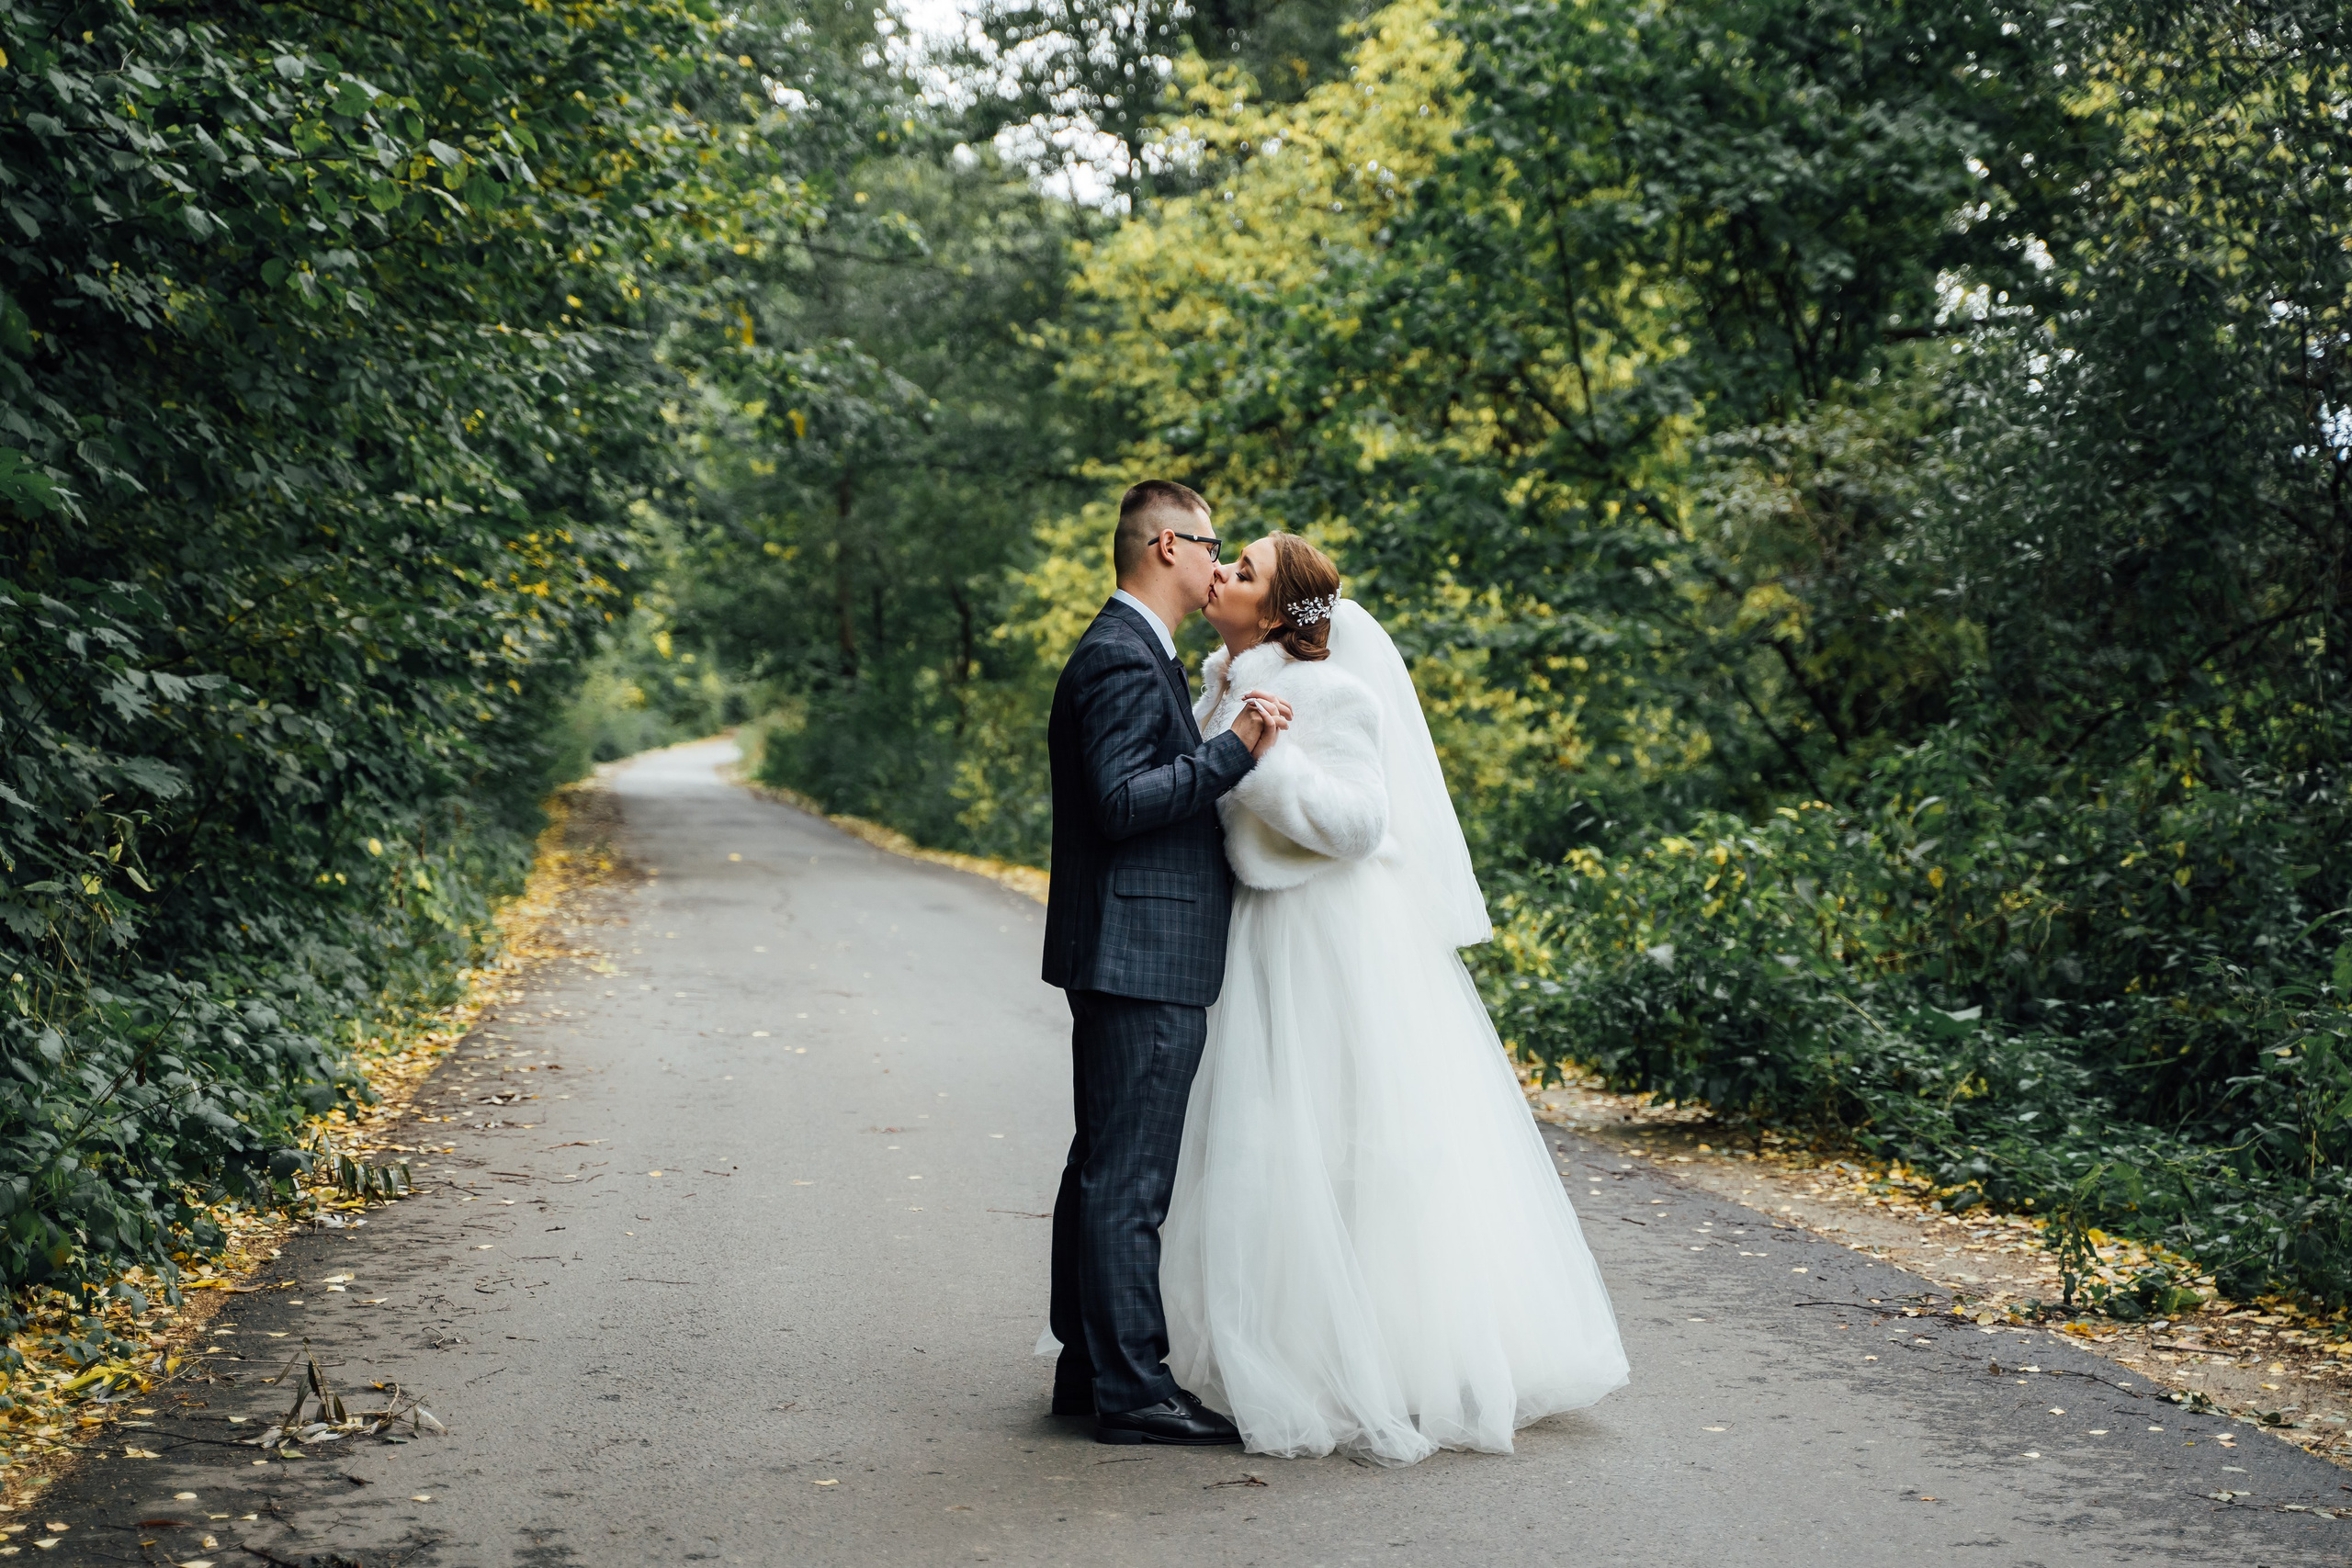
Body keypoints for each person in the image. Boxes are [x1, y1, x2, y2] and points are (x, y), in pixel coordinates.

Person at [1159, 532, 1630, 1465]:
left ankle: (1368, 1358)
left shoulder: (1333, 694)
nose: (1224, 575)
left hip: (1323, 941)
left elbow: (1359, 824)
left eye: (1244, 571)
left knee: (1343, 1145)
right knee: (1248, 1143)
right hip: (1249, 933)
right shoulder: (1213, 680)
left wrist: (1266, 758)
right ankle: (1247, 1339)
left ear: (1279, 610)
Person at [1041, 479, 1291, 1446]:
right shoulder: (1119, 656)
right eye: (1210, 543)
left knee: (1104, 1168)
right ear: (1164, 545)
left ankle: (1089, 1370)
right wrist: (1233, 751)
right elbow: (1119, 802)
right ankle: (1133, 1390)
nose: (1218, 560)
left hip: (1132, 947)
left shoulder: (1139, 652)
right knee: (1129, 1179)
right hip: (1138, 950)